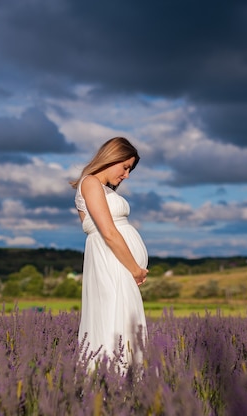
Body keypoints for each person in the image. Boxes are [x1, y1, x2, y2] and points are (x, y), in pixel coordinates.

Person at [71, 137, 148, 368]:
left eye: (130, 170)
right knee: (115, 322)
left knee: (124, 323)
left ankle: (123, 387)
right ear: (111, 157)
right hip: (113, 263)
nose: (127, 175)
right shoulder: (91, 183)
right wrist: (135, 269)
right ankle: (114, 386)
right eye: (125, 167)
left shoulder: (100, 188)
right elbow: (109, 233)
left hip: (119, 265)